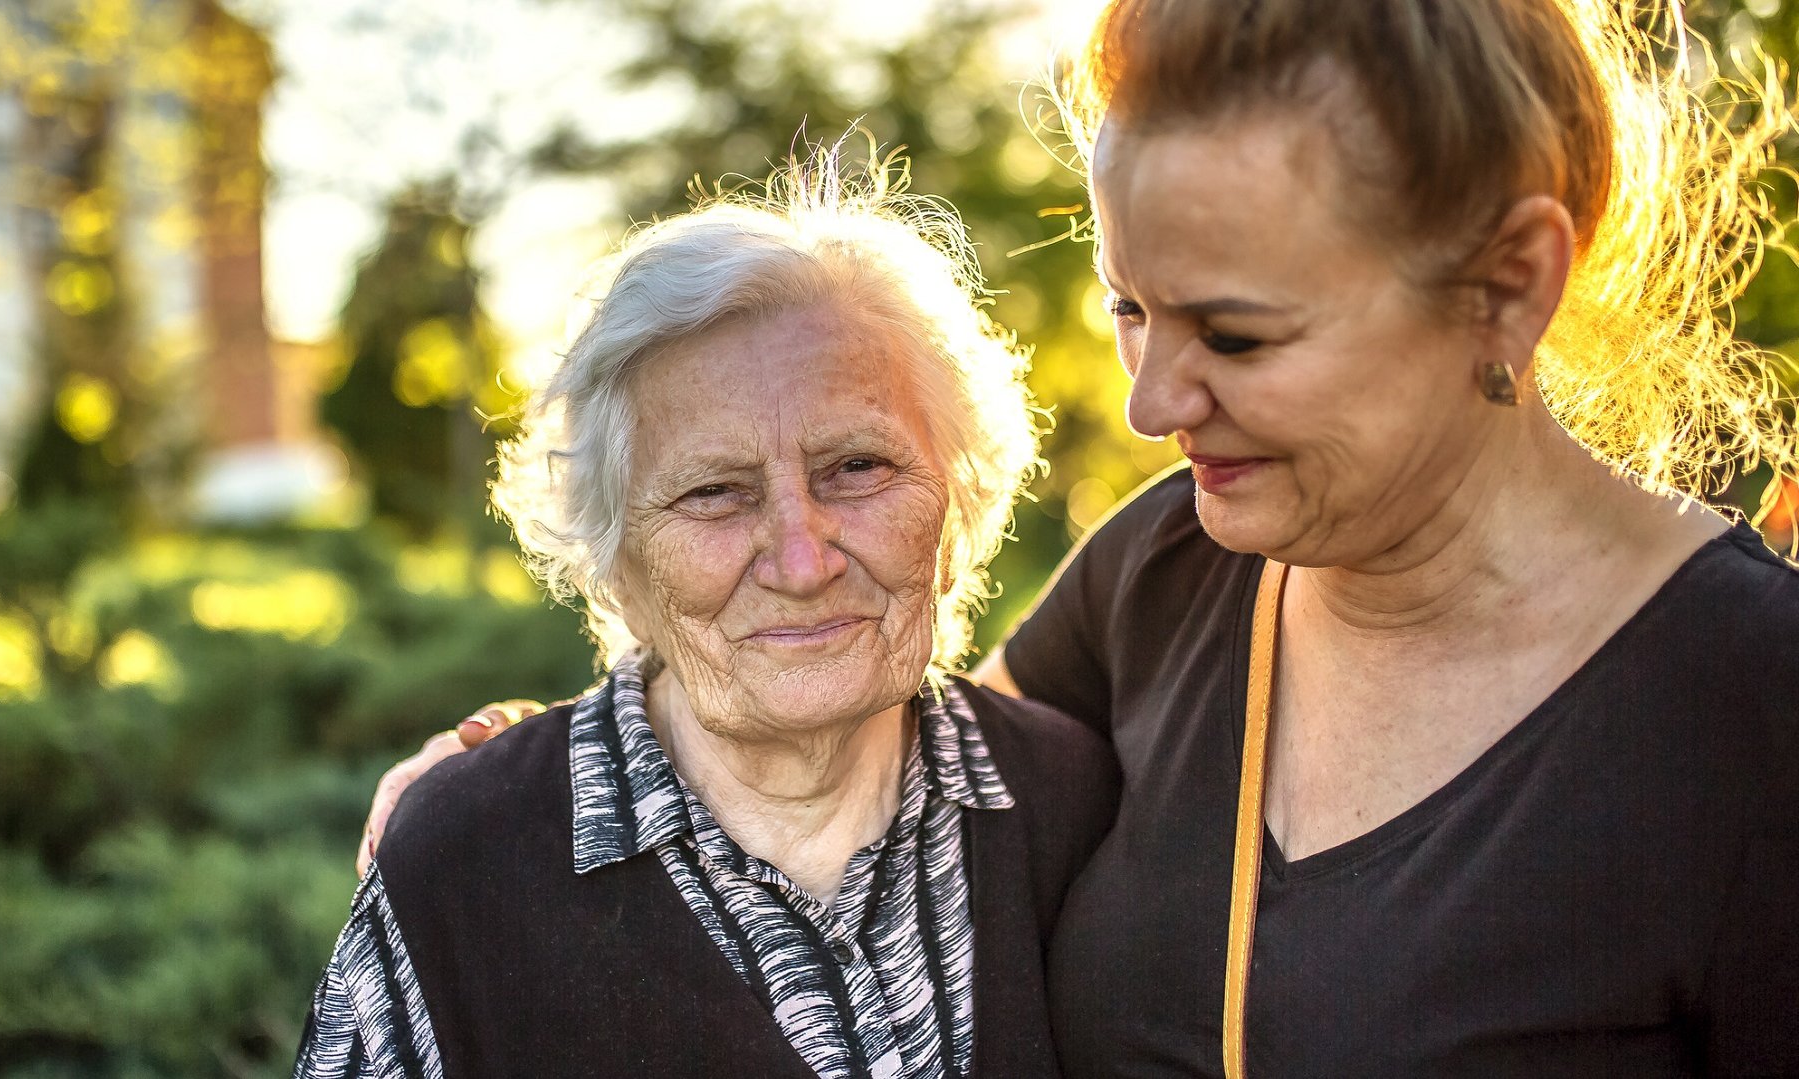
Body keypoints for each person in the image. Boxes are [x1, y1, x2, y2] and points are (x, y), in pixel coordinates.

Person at [361, 0, 1799, 1074]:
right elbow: (863, 755)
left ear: (1509, 283)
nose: (1153, 397)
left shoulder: (1749, 705)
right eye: (1130, 304)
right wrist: (527, 793)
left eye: (1235, 329)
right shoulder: (1171, 565)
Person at [293, 156, 1118, 1077]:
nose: (802, 561)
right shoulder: (467, 859)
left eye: (858, 467)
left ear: (959, 503)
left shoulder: (1076, 802)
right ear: (615, 561)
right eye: (715, 492)